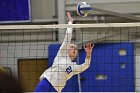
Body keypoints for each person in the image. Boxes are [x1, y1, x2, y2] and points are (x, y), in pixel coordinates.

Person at [34, 12, 94, 92]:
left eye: (75, 49)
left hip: (56, 90)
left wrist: (88, 54)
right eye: (72, 47)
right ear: (66, 49)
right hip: (46, 83)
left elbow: (85, 65)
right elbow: (68, 37)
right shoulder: (61, 54)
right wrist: (70, 22)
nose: (74, 49)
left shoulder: (74, 67)